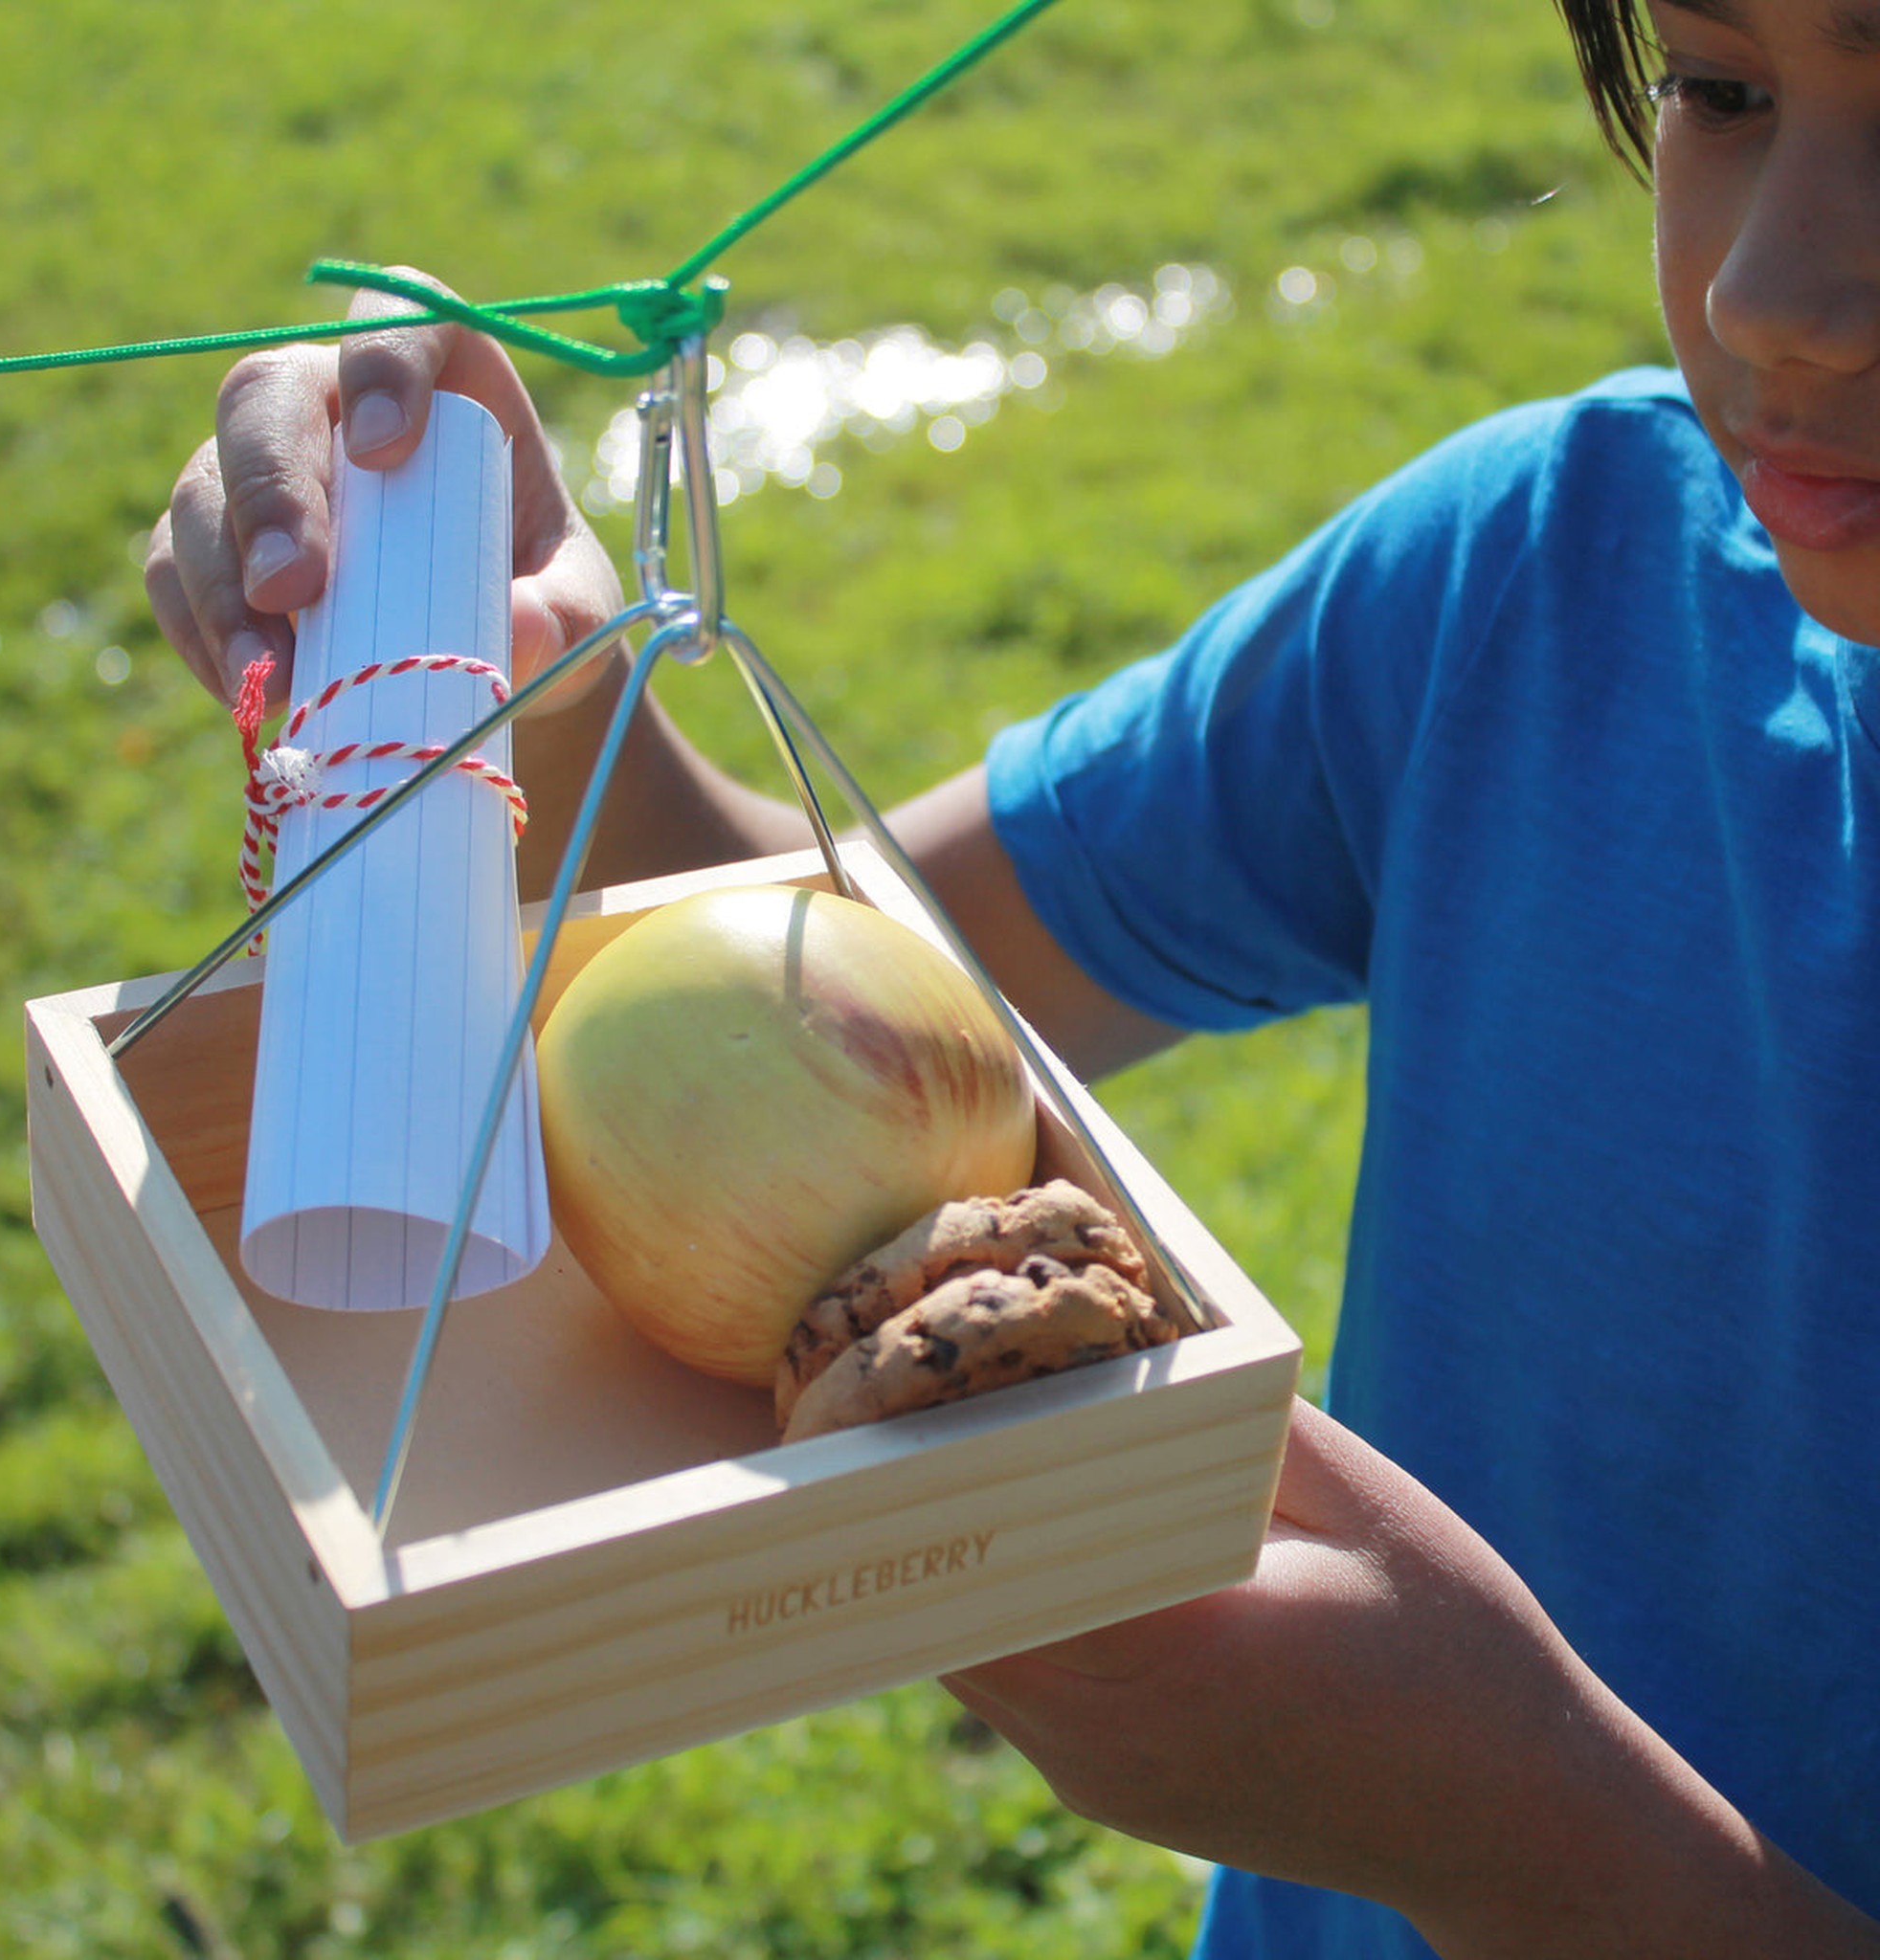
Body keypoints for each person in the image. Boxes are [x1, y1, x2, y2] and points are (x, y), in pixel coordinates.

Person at [145, 0, 1880, 1949]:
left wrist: (1529, 1839)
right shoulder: (1535, 582)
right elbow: (859, 1014)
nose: (1771, 294)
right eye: (1721, 90)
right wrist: (541, 683)